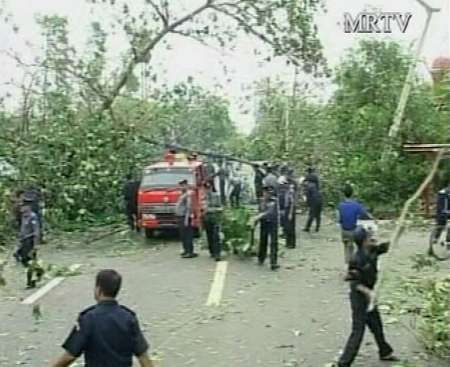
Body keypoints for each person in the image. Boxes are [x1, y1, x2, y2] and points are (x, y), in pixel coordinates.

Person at [52, 269, 154, 367]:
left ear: (98, 289)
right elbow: (143, 356)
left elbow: (70, 356)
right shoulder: (129, 318)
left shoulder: (88, 318)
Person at [332, 226, 398, 367]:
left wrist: (400, 230)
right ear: (363, 241)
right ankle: (343, 363)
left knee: (376, 326)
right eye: (369, 237)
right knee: (358, 331)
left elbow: (388, 246)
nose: (372, 238)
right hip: (359, 298)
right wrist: (369, 293)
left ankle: (385, 352)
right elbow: (354, 284)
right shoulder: (357, 259)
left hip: (370, 296)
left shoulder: (373, 250)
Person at [337, 184, 373, 264]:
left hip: (344, 231)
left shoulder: (340, 205)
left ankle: (348, 264)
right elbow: (365, 215)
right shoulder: (357, 205)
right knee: (360, 245)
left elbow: (338, 219)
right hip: (355, 230)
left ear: (343, 194)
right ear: (352, 194)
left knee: (347, 247)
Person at [252, 185, 280, 271]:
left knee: (273, 243)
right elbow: (259, 211)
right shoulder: (261, 201)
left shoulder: (273, 201)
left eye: (269, 193)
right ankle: (261, 258)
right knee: (263, 241)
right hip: (264, 223)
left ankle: (273, 263)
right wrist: (254, 223)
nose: (267, 194)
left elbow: (269, 212)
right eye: (265, 192)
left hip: (272, 223)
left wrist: (258, 217)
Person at [14, 201, 40, 267]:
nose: (21, 208)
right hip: (23, 239)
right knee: (17, 254)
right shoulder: (23, 216)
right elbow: (23, 228)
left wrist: (35, 245)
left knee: (28, 260)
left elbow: (36, 231)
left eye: (23, 206)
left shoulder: (33, 217)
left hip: (29, 240)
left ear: (28, 207)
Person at [175, 179, 197, 258]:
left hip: (185, 217)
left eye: (183, 185)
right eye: (180, 185)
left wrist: (187, 219)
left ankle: (189, 252)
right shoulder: (182, 194)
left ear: (186, 185)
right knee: (183, 235)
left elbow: (189, 207)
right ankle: (186, 250)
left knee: (187, 235)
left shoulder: (188, 195)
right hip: (181, 217)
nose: (181, 187)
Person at [202, 181, 223, 261]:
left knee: (216, 236)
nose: (208, 190)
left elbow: (220, 208)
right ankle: (212, 252)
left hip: (215, 218)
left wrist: (211, 209)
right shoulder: (203, 197)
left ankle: (217, 254)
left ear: (211, 188)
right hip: (207, 219)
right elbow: (202, 208)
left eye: (209, 188)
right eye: (206, 188)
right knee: (209, 236)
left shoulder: (216, 196)